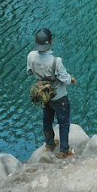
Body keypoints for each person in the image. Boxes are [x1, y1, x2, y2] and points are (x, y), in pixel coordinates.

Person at [27, 27, 76, 158]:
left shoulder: (31, 56)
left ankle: (49, 143)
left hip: (45, 96)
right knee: (64, 122)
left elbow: (29, 72)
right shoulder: (56, 61)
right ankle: (63, 151)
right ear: (50, 42)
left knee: (47, 120)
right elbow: (65, 80)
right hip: (59, 97)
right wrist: (71, 79)